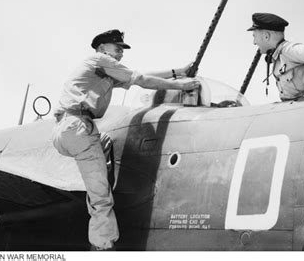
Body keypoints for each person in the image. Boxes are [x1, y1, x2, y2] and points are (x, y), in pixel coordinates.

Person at [51, 29, 200, 251]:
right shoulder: (100, 60)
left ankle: (99, 193)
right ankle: (103, 247)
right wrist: (182, 86)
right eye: (117, 48)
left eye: (122, 49)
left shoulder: (101, 69)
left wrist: (177, 72)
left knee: (104, 145)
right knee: (101, 198)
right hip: (79, 127)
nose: (121, 53)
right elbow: (141, 79)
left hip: (66, 128)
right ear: (102, 48)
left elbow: (141, 77)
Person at [247, 13, 304, 101]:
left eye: (254, 36)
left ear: (266, 36)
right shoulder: (277, 55)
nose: (254, 42)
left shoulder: (287, 50)